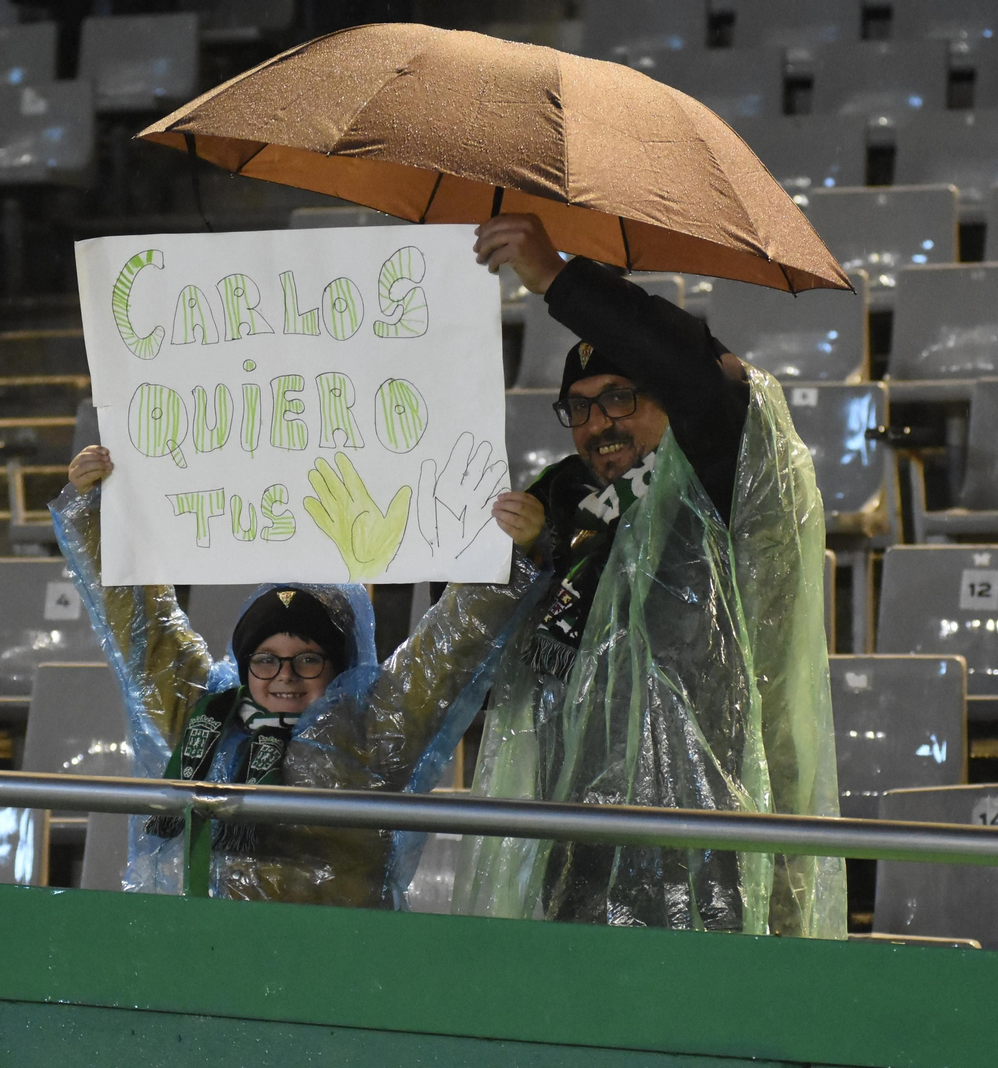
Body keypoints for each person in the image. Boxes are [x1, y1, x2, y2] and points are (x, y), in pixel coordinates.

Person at [454, 214, 846, 938]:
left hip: (709, 833)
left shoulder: (715, 475)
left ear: (664, 398)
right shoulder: (556, 500)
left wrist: (559, 280)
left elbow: (708, 378)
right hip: (576, 832)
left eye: (622, 397)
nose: (599, 421)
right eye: (579, 405)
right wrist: (541, 551)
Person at [55, 444, 543, 907]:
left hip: (335, 964)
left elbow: (451, 645)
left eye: (308, 659)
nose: (284, 676)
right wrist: (97, 511)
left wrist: (511, 551)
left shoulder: (373, 730)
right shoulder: (207, 718)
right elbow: (145, 630)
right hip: (211, 956)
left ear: (340, 667)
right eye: (265, 659)